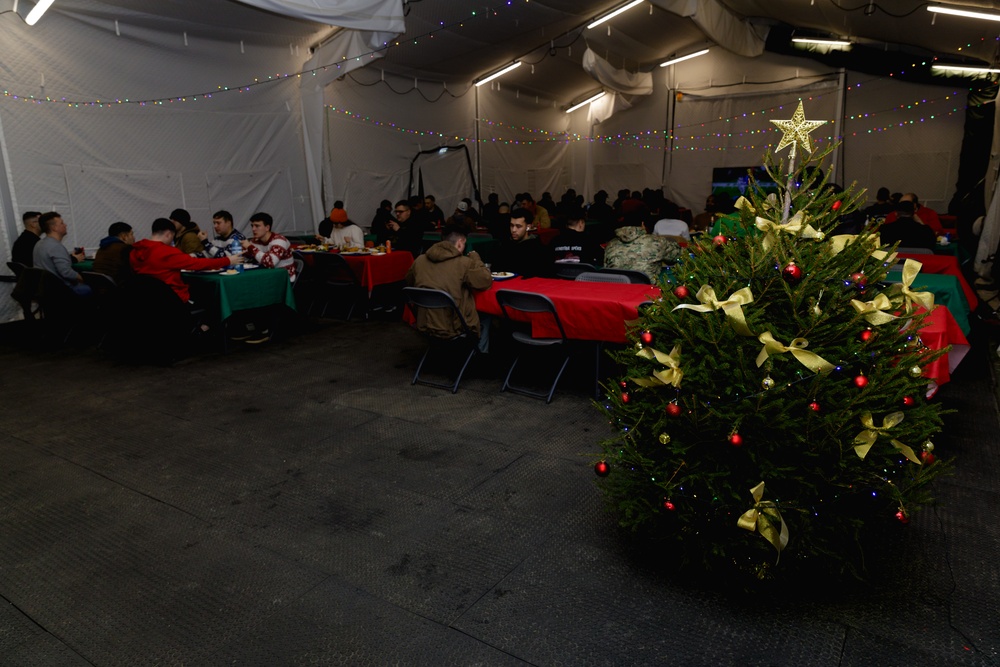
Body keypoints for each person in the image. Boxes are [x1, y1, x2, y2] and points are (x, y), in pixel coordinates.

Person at [405, 224, 493, 341]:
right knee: (487, 317)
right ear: (460, 242)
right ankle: (479, 355)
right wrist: (475, 258)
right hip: (454, 327)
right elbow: (486, 281)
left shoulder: (419, 260)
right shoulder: (464, 263)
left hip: (424, 324)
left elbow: (409, 283)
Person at [130, 218, 240, 302]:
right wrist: (228, 260)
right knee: (215, 295)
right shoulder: (166, 252)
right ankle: (206, 327)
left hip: (147, 299)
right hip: (174, 299)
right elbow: (197, 264)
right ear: (168, 234)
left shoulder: (135, 250)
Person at [604, 213, 680, 281]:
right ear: (642, 224)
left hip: (618, 290)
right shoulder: (657, 241)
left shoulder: (611, 244)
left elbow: (606, 267)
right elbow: (676, 256)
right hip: (648, 292)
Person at [32, 212, 91, 295]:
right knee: (92, 287)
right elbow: (66, 272)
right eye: (62, 223)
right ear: (54, 228)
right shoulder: (55, 246)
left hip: (45, 289)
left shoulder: (39, 243)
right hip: (61, 291)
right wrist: (84, 279)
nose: (65, 225)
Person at [492, 207, 552, 277]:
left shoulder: (537, 250)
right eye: (511, 225)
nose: (513, 230)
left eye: (518, 226)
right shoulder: (505, 246)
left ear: (528, 227)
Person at [240, 212, 297, 282]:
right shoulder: (255, 241)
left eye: (257, 226)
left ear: (267, 228)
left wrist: (250, 247)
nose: (253, 229)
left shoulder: (279, 241)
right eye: (252, 226)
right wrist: (241, 253)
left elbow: (270, 263)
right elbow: (246, 259)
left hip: (283, 280)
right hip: (267, 276)